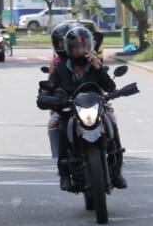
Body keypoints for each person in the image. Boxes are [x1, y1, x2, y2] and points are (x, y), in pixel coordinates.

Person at [45, 22, 127, 190]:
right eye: (76, 47)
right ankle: (64, 174)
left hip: (95, 105)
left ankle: (117, 170)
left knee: (112, 121)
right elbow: (51, 85)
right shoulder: (61, 66)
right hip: (70, 108)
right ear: (70, 48)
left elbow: (110, 87)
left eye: (84, 47)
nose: (81, 51)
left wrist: (98, 68)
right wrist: (47, 95)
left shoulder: (95, 64)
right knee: (61, 126)